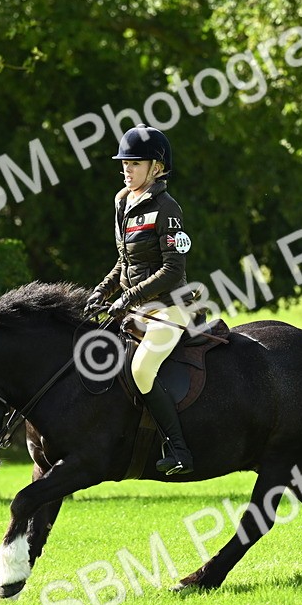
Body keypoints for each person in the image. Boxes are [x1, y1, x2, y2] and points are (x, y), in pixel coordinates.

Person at [85, 125, 196, 475]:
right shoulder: (123, 202)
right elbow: (125, 260)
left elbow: (173, 271)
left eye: (135, 163)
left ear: (157, 167)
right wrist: (103, 291)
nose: (127, 169)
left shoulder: (167, 207)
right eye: (125, 163)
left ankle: (179, 450)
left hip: (170, 308)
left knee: (141, 368)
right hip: (134, 308)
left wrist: (128, 297)